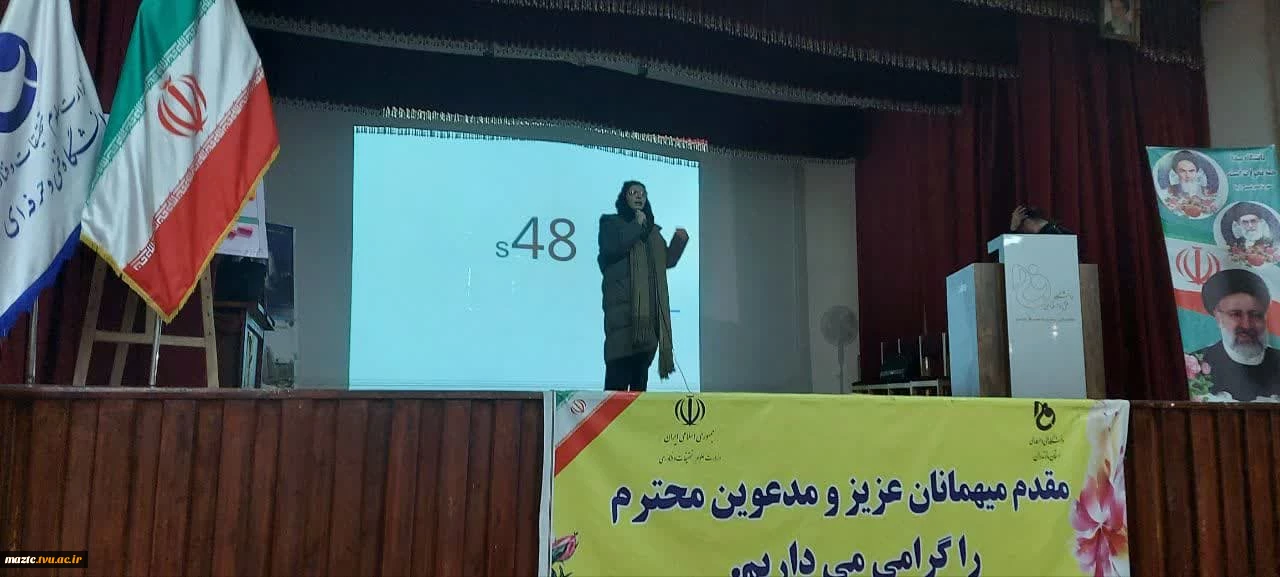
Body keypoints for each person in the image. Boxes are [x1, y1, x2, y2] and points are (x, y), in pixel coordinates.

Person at [597, 180, 689, 391]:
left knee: (639, 396)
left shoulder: (652, 233)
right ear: (624, 197)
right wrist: (636, 225)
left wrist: (679, 241)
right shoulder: (610, 224)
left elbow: (666, 262)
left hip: (647, 330)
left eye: (643, 193)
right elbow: (613, 248)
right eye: (633, 192)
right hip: (622, 327)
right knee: (616, 396)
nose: (639, 196)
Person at [1193, 268, 1280, 401]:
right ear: (1218, 317)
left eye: (1256, 315)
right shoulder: (1195, 366)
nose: (1247, 325)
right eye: (1235, 315)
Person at [1010, 206, 1074, 235]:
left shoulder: (1052, 234)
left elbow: (1012, 253)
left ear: (1027, 221)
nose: (1020, 232)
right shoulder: (1059, 231)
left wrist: (1013, 228)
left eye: (1019, 228)